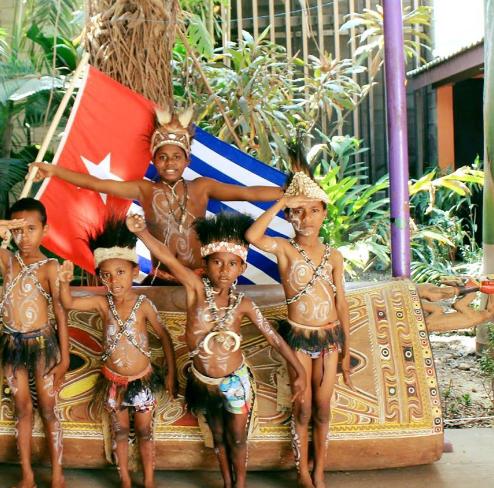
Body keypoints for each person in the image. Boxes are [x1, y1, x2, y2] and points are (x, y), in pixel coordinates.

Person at [127, 211, 307, 488]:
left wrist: (299, 371)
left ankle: (240, 484)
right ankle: (227, 482)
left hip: (235, 382)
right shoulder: (195, 290)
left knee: (237, 437)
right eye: (217, 263)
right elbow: (168, 258)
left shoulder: (243, 304)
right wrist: (141, 233)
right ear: (206, 265)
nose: (224, 270)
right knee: (218, 435)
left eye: (232, 264)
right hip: (203, 382)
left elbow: (274, 338)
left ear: (242, 268)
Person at [29, 107, 284, 284]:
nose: (169, 163)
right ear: (154, 160)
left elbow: (247, 192)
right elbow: (96, 183)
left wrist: (288, 192)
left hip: (201, 278)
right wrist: (53, 171)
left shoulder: (201, 187)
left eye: (176, 157)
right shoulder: (145, 189)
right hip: (160, 280)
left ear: (187, 160)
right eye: (162, 157)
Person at [245, 172, 355, 488]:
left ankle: (319, 472)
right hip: (298, 337)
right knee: (303, 408)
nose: (306, 218)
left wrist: (346, 349)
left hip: (330, 338)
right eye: (298, 211)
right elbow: (252, 236)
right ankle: (302, 473)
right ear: (289, 215)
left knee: (322, 409)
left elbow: (342, 302)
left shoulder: (334, 256)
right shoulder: (283, 249)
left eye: (314, 210)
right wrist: (281, 201)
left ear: (325, 213)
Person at [0, 198, 70, 488]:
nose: (24, 237)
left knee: (48, 409)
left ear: (45, 229)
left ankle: (57, 476)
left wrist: (65, 358)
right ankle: (27, 476)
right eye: (17, 230)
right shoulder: (6, 260)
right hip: (12, 346)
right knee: (22, 409)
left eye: (31, 229)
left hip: (43, 346)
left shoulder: (50, 267)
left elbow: (60, 311)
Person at [57, 215, 177, 488]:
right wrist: (64, 282)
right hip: (113, 382)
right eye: (106, 275)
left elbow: (164, 337)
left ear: (135, 272)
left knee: (145, 433)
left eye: (121, 272)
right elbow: (66, 302)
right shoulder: (101, 302)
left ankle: (148, 482)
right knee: (120, 431)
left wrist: (170, 374)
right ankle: (124, 480)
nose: (114, 281)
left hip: (142, 380)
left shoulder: (143, 304)